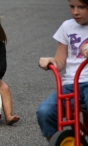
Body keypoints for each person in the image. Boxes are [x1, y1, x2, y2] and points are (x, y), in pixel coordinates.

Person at [37, 0, 88, 142]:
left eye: (81, 7)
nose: (75, 12)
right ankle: (58, 142)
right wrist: (51, 62)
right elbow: (60, 61)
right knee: (45, 111)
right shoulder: (67, 27)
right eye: (72, 7)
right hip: (70, 85)